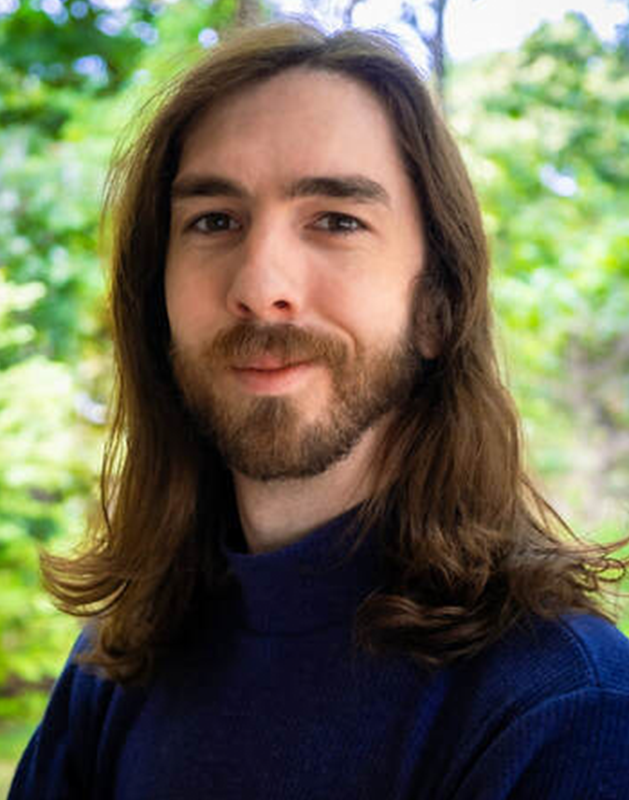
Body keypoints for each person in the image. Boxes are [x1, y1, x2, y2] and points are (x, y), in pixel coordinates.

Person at [9, 20, 629, 800]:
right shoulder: (119, 660)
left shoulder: (560, 708)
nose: (261, 282)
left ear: (436, 307)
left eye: (336, 221)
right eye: (213, 221)